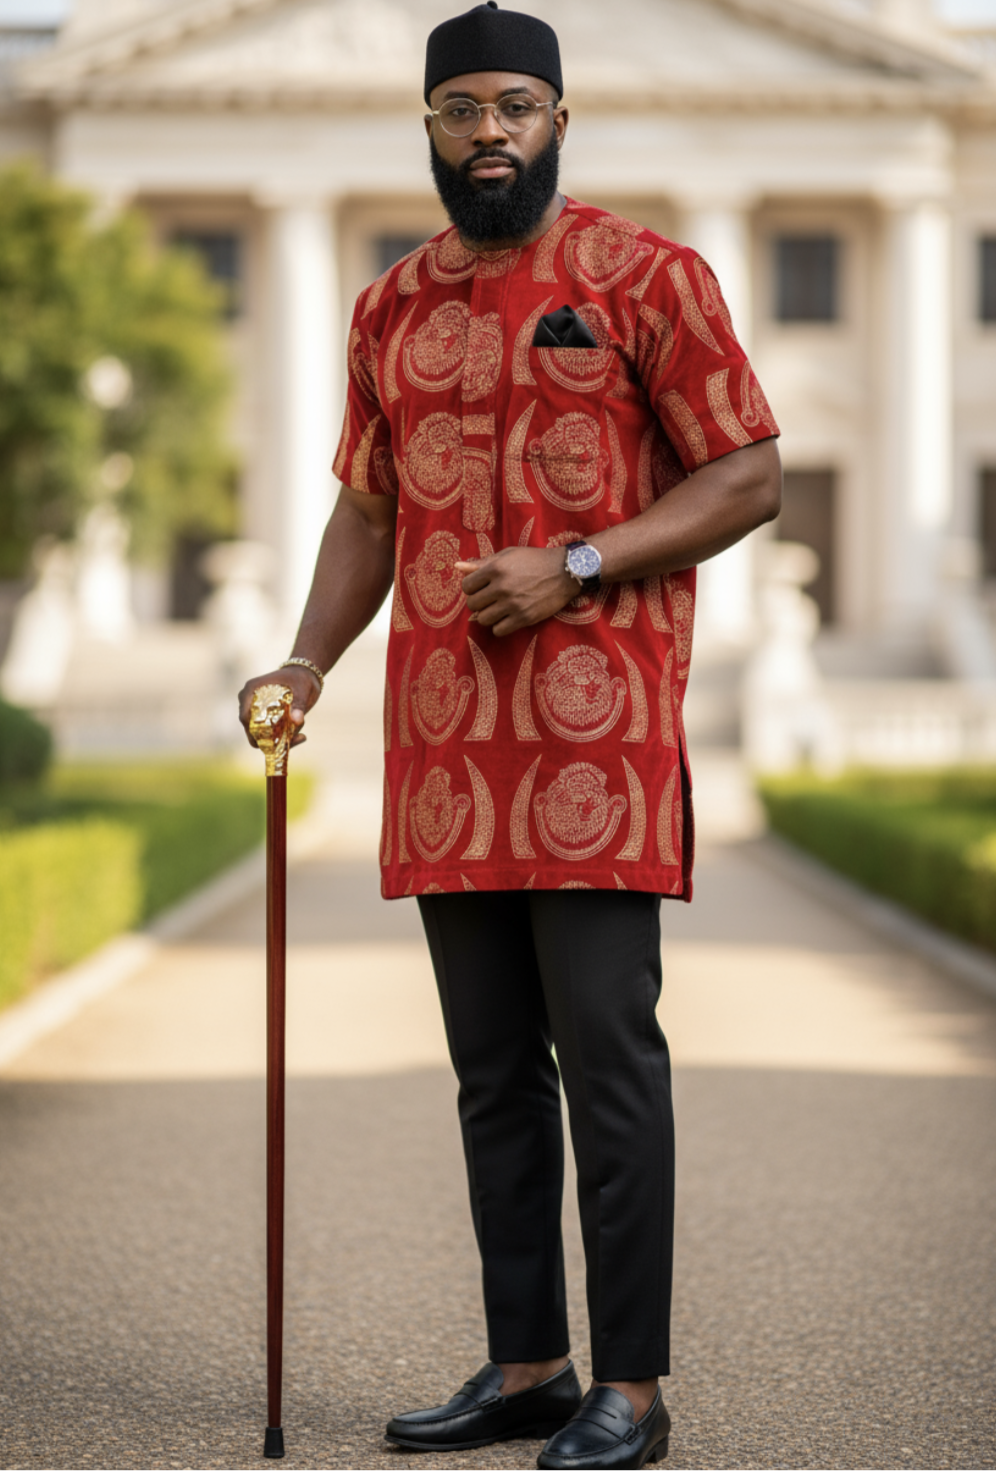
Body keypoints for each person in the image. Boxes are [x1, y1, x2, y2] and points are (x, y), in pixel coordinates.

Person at [240, 5, 782, 1465]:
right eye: (463, 107)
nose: (491, 131)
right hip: (441, 747)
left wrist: (583, 561)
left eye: (518, 106)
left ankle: (638, 1388)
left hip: (594, 748)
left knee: (608, 1053)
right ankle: (531, 1359)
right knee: (490, 1068)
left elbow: (747, 474)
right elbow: (367, 507)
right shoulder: (388, 307)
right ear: (427, 127)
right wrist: (307, 654)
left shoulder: (646, 277)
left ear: (560, 118)